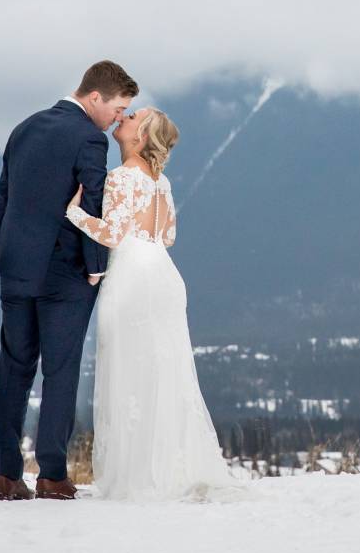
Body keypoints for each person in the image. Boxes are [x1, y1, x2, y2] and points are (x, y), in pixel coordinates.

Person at [66, 107, 246, 501]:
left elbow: (112, 234)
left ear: (141, 136)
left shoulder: (122, 176)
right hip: (163, 275)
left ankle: (138, 474)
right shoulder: (160, 182)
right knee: (164, 372)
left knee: (129, 369)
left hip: (132, 278)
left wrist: (74, 212)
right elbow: (168, 236)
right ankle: (171, 464)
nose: (123, 117)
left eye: (131, 117)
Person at [0, 60, 138, 501]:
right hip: (65, 273)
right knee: (60, 371)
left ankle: (6, 476)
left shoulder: (24, 128)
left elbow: (4, 199)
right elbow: (92, 199)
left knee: (14, 368)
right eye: (118, 107)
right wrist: (96, 265)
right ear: (95, 97)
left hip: (15, 267)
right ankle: (52, 475)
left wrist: (8, 252)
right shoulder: (89, 138)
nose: (118, 117)